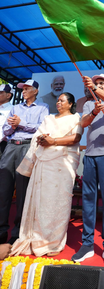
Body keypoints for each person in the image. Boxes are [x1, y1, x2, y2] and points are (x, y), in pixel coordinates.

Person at [10, 92, 82, 257]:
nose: (58, 103)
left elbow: (76, 138)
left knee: (58, 201)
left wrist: (53, 141)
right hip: (44, 162)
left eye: (62, 100)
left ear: (70, 104)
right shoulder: (49, 119)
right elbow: (38, 136)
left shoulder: (75, 118)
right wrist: (43, 139)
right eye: (57, 100)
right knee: (41, 201)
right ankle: (36, 237)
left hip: (63, 165)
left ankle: (53, 241)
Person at [72, 73, 104, 265]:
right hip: (90, 156)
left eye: (102, 83)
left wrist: (95, 89)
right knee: (88, 199)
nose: (98, 86)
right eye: (96, 83)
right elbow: (83, 124)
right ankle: (87, 244)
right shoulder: (87, 103)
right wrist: (93, 112)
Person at [0, 79, 49, 245]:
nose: (24, 92)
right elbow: (6, 130)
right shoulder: (15, 108)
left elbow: (41, 128)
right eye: (22, 89)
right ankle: (1, 231)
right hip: (11, 146)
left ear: (35, 91)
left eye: (27, 89)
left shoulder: (43, 107)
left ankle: (17, 232)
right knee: (3, 191)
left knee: (22, 192)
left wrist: (22, 124)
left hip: (28, 148)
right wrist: (13, 126)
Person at [0, 84, 13, 159]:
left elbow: (8, 129)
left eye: (0, 92)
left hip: (2, 145)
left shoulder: (13, 109)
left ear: (8, 95)